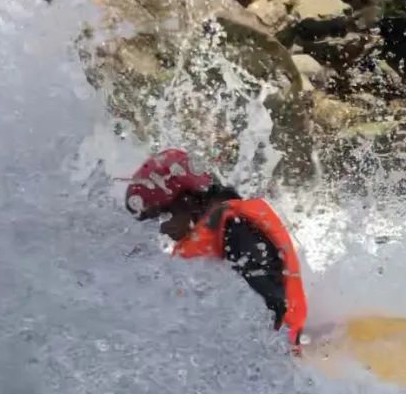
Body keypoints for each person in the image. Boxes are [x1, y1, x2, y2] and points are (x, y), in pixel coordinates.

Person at [124, 148, 308, 353]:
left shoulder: (238, 230)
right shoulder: (220, 235)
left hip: (281, 358)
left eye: (164, 215)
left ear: (189, 200)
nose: (163, 228)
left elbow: (271, 306)